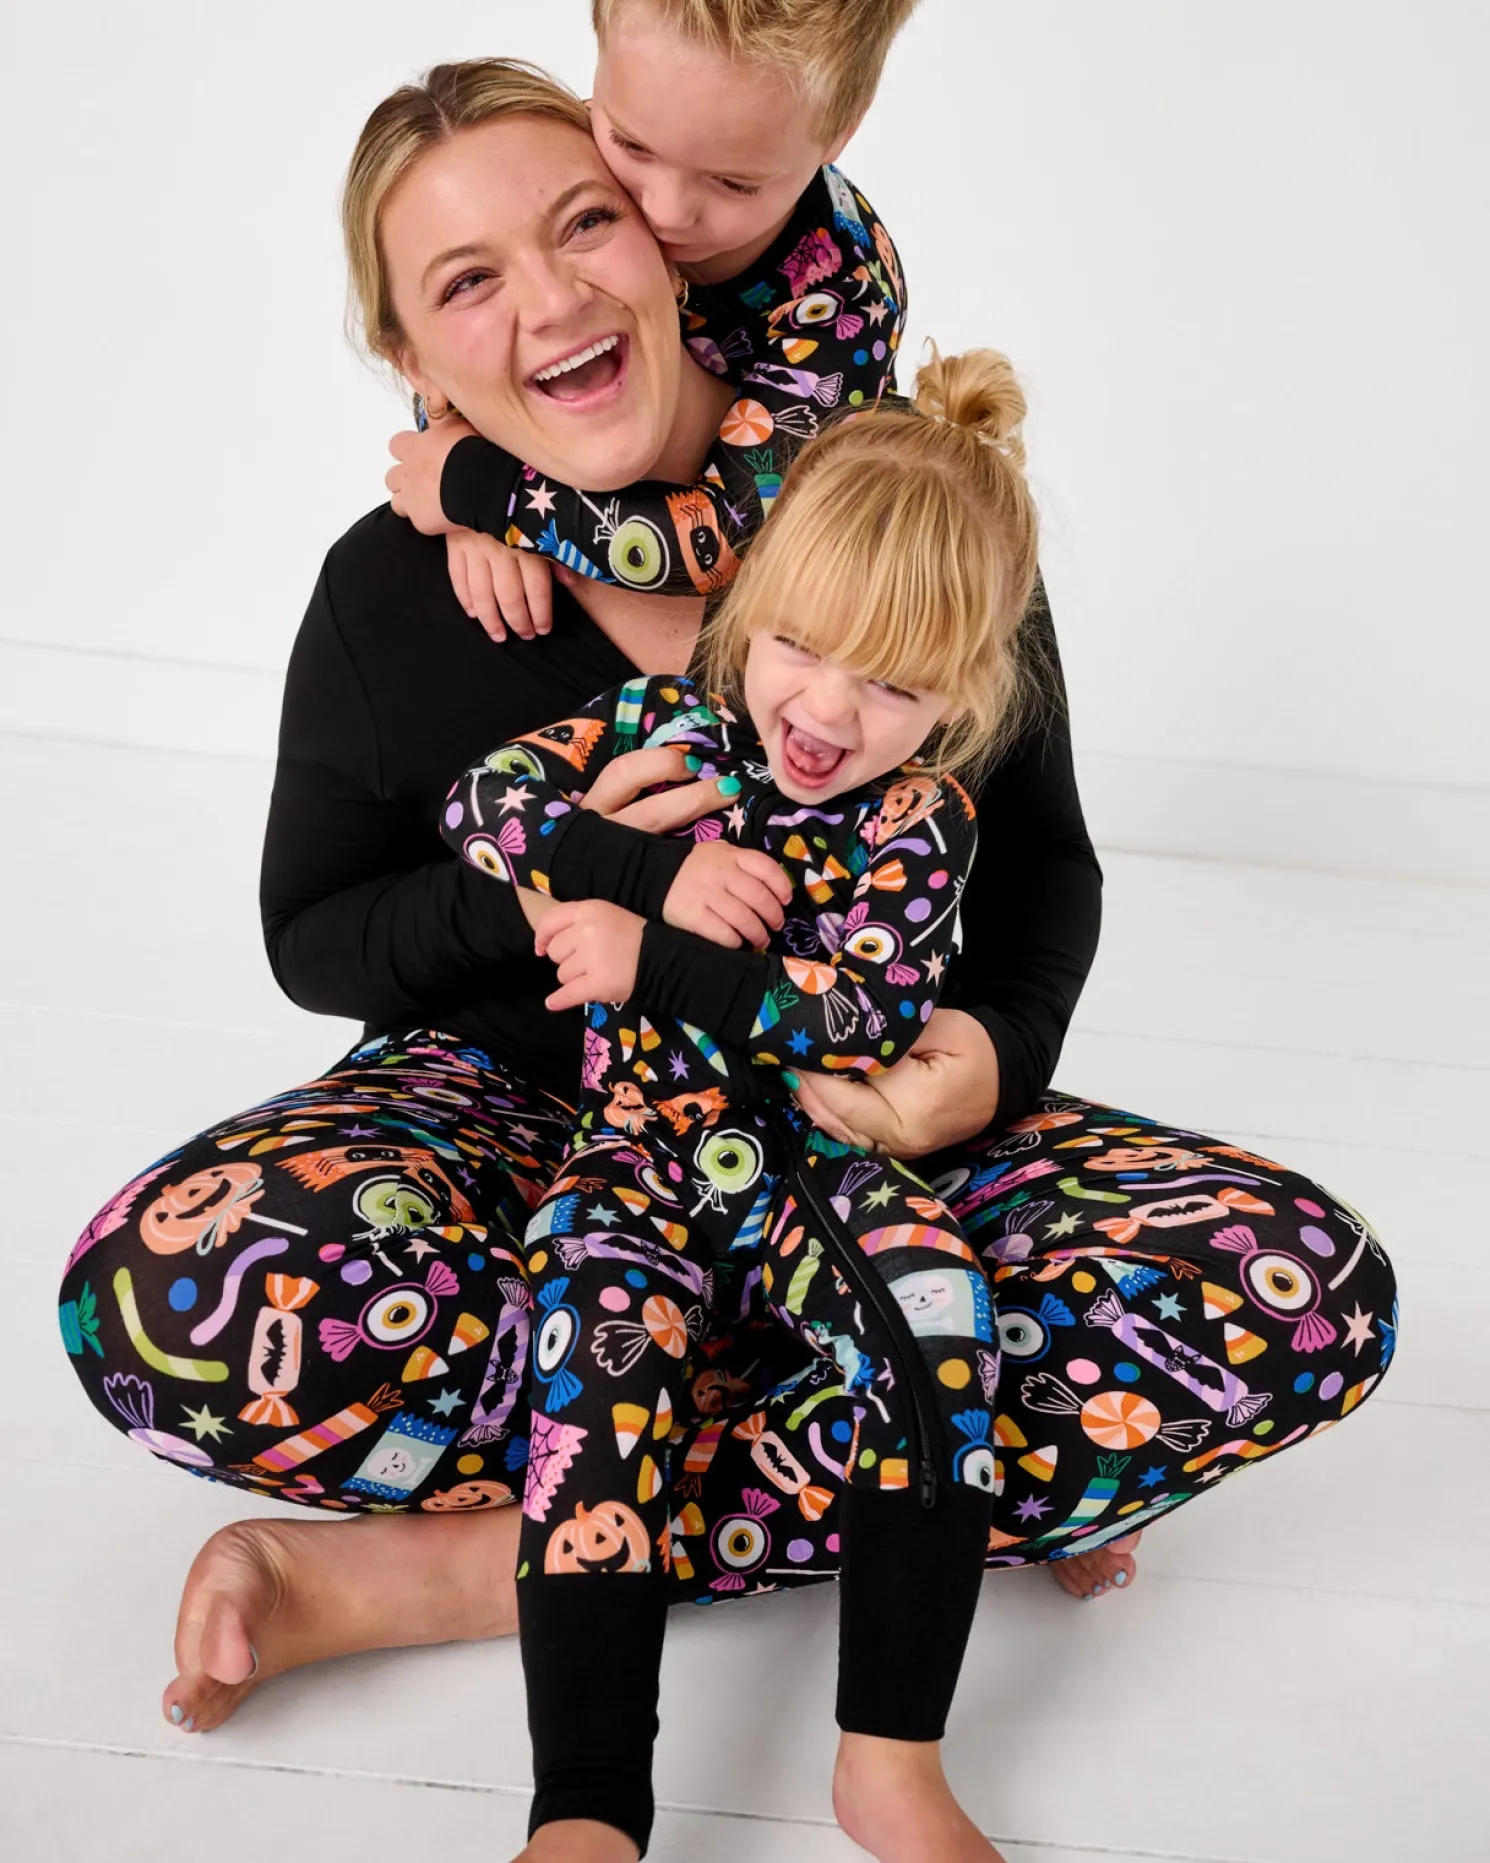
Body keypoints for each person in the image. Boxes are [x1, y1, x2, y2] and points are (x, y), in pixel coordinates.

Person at [55, 57, 1397, 1863]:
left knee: (1305, 1289)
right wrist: (561, 882)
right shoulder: (391, 587)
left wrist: (992, 1058)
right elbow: (315, 936)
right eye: (467, 281)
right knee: (162, 1296)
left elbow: (1041, 873)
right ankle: (939, 1484)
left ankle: (467, 1558)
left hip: (844, 1118)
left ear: (671, 241)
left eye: (584, 222)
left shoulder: (893, 525)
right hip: (528, 1122)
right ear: (410, 359)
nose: (551, 298)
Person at [440, 345, 1036, 1860]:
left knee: (942, 1317)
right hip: (635, 1158)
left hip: (809, 1161)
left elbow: (864, 1015)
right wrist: (643, 870)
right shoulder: (672, 726)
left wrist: (655, 958)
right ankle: (585, 1808)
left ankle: (888, 1758)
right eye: (798, 646)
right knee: (590, 1386)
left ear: (965, 689)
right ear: (748, 605)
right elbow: (482, 807)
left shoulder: (921, 819)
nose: (824, 709)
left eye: (891, 682)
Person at [386, 0, 921, 639]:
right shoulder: (572, 149)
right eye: (632, 144)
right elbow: (467, 321)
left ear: (840, 134)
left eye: (734, 183)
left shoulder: (848, 302)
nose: (664, 211)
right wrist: (449, 425)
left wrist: (485, 492)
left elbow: (713, 543)